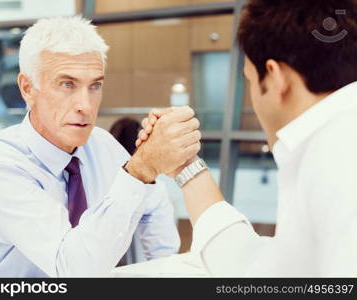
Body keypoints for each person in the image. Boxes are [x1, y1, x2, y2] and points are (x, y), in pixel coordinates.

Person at [0, 16, 202, 277]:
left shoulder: (101, 144)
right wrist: (141, 169)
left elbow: (153, 205)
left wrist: (162, 269)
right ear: (28, 88)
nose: (86, 106)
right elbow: (72, 269)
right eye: (67, 84)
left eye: (95, 85)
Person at [138, 0, 357, 276]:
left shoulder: (338, 159)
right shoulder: (332, 142)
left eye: (250, 80)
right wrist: (186, 166)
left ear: (277, 78)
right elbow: (266, 270)